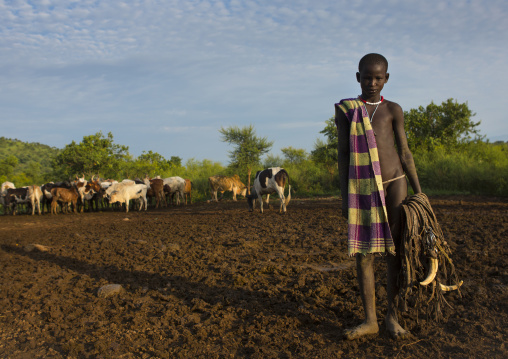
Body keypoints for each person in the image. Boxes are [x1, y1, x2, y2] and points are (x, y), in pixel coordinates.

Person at [335, 53, 422, 340]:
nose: (372, 83)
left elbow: (405, 152)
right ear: (357, 77)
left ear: (386, 79)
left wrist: (420, 193)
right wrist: (345, 197)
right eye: (367, 77)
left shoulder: (394, 109)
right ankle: (370, 319)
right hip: (362, 187)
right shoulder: (347, 110)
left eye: (378, 77)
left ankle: (392, 317)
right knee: (363, 254)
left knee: (395, 252)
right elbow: (344, 154)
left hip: (395, 183)